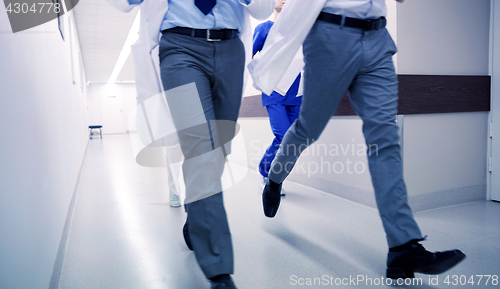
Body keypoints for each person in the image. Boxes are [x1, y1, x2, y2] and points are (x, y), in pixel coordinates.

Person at [249, 0, 466, 280]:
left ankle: (403, 246)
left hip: (377, 38)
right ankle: (275, 177)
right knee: (307, 128)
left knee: (385, 136)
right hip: (330, 33)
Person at [104, 0, 274, 288]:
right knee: (201, 148)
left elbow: (262, 9)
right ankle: (218, 270)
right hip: (179, 49)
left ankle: (198, 216)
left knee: (220, 148)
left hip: (231, 49)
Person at [253, 0, 302, 194]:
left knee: (294, 141)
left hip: (298, 93)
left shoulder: (300, 31)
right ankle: (266, 174)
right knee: (283, 136)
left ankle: (275, 176)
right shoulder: (264, 28)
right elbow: (248, 56)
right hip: (274, 92)